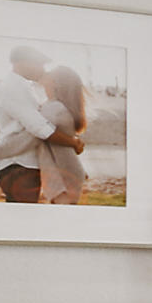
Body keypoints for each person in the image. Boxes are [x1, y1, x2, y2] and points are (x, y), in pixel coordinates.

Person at [0, 45, 81, 204]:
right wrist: (73, 143)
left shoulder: (20, 86)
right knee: (22, 216)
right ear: (22, 63)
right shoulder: (14, 87)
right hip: (18, 164)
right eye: (38, 64)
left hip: (20, 164)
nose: (42, 69)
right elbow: (40, 129)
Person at [33, 54, 89, 203]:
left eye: (50, 74)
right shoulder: (51, 105)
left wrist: (0, 149)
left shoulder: (55, 108)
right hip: (67, 172)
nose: (45, 74)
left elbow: (33, 134)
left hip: (63, 176)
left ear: (56, 83)